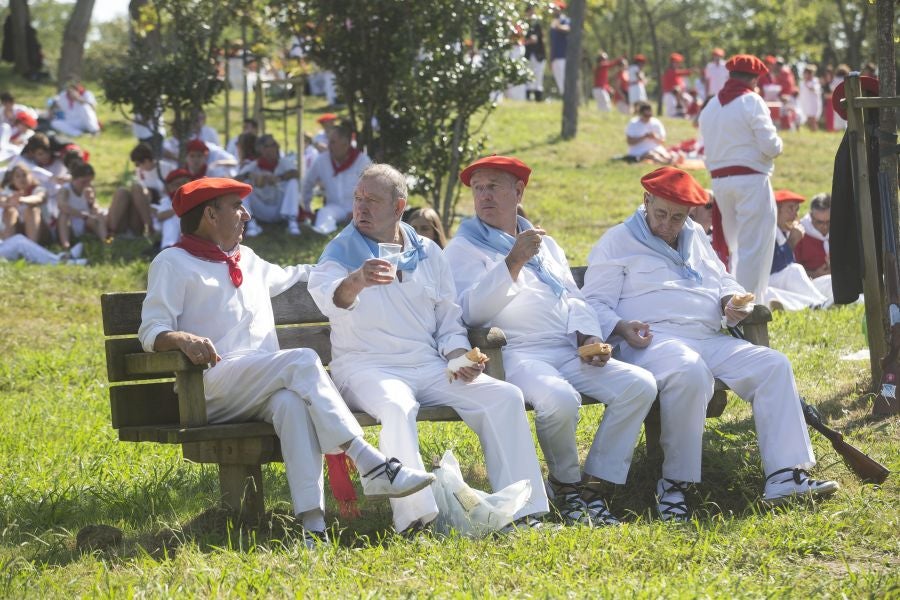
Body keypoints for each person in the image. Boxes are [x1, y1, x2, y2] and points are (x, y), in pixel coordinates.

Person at [138, 177, 435, 547]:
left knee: (292, 404)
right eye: (236, 207)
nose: (246, 214)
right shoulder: (172, 262)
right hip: (209, 388)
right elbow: (151, 329)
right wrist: (181, 339)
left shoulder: (247, 259)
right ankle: (369, 460)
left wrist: (347, 267)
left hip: (264, 385)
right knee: (302, 360)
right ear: (211, 215)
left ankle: (314, 529)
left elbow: (301, 276)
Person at [582, 166, 839, 519]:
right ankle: (674, 485)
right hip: (653, 341)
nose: (668, 224)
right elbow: (593, 302)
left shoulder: (695, 235)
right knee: (690, 371)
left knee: (772, 364)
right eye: (660, 214)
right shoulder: (617, 241)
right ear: (646, 201)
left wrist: (730, 300)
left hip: (707, 336)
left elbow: (722, 280)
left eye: (678, 216)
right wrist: (622, 327)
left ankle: (785, 475)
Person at [308, 164, 550, 534]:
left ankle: (524, 511)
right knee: (397, 405)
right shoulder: (342, 249)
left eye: (371, 200)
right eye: (358, 199)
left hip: (427, 364)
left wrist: (457, 357)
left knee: (503, 396)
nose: (361, 208)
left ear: (399, 205)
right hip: (366, 367)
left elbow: (448, 320)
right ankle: (417, 519)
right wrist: (357, 279)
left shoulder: (428, 252)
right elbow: (328, 297)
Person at [445, 155, 658, 526]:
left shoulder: (545, 243)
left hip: (566, 349)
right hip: (516, 353)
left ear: (518, 191)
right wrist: (511, 262)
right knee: (559, 399)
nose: (484, 196)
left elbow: (573, 297)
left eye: (493, 186)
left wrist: (589, 336)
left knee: (639, 385)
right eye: (477, 189)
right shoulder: (463, 249)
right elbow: (471, 314)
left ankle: (595, 486)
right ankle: (565, 483)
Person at [699, 54, 783, 300]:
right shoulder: (752, 101)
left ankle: (730, 299)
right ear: (755, 78)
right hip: (751, 180)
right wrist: (779, 144)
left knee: (733, 248)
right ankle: (748, 306)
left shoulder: (711, 105)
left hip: (720, 183)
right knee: (753, 248)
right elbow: (770, 146)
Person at [301, 122, 372, 235]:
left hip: (358, 208)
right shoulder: (322, 160)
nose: (329, 146)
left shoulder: (362, 161)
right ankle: (322, 230)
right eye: (329, 142)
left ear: (346, 144)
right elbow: (307, 183)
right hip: (334, 207)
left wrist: (361, 209)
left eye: (333, 142)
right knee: (324, 213)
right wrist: (307, 209)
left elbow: (372, 189)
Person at [764, 190, 828, 310]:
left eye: (797, 209)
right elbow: (773, 267)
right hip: (764, 284)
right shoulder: (764, 230)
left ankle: (819, 304)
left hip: (779, 284)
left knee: (828, 281)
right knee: (794, 270)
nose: (795, 215)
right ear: (775, 209)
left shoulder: (784, 232)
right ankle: (823, 304)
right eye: (790, 209)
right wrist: (792, 242)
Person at [236, 134, 301, 237]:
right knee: (242, 186)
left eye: (275, 145)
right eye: (270, 145)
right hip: (260, 210)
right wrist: (249, 175)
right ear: (261, 149)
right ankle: (252, 224)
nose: (275, 147)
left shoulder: (284, 163)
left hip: (280, 210)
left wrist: (278, 178)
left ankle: (291, 222)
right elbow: (234, 181)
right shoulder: (253, 166)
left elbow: (296, 173)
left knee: (293, 182)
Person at [108, 143, 177, 238]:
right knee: (124, 191)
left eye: (138, 163)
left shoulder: (168, 168)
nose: (137, 167)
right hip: (144, 206)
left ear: (147, 160)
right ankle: (112, 231)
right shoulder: (140, 171)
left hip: (160, 206)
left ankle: (150, 227)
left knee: (136, 188)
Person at [56, 162, 107, 252]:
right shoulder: (66, 190)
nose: (87, 185)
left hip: (86, 223)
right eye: (83, 182)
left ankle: (105, 241)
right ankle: (65, 244)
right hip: (71, 223)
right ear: (74, 179)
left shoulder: (89, 189)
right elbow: (62, 205)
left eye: (89, 181)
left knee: (99, 215)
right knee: (63, 215)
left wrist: (91, 202)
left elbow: (95, 208)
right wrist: (82, 215)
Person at [794, 193, 832, 294]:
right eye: (819, 222)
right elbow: (791, 270)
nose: (824, 227)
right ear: (811, 216)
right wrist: (814, 274)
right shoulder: (799, 233)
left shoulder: (842, 228)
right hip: (809, 283)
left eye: (829, 222)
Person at [0, 163, 46, 242]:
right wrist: (9, 203)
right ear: (12, 180)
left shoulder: (39, 189)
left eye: (24, 175)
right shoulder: (8, 192)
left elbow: (38, 198)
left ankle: (32, 246)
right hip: (19, 229)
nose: (22, 179)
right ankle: (9, 245)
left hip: (42, 231)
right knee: (9, 211)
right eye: (17, 176)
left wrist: (22, 199)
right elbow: (2, 201)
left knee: (32, 209)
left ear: (31, 176)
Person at [522, 5, 546, 102]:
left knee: (538, 76)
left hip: (538, 55)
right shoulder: (524, 25)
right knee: (528, 76)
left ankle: (538, 98)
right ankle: (528, 97)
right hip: (528, 54)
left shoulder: (537, 24)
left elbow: (538, 39)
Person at [661, 53, 693, 118]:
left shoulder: (675, 71)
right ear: (671, 63)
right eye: (675, 62)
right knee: (671, 111)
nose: (677, 64)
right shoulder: (669, 71)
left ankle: (685, 115)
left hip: (678, 94)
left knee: (689, 100)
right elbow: (681, 73)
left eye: (678, 62)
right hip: (669, 94)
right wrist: (691, 71)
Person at [548, 1, 570, 96]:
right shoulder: (553, 22)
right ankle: (564, 96)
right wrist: (551, 58)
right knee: (559, 79)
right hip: (555, 56)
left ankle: (567, 97)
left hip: (563, 56)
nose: (553, 11)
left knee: (564, 79)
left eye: (555, 8)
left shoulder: (565, 20)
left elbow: (568, 29)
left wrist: (557, 26)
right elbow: (552, 42)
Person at [797, 65, 822, 132]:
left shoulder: (815, 81)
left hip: (813, 103)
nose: (806, 75)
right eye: (805, 73)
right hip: (805, 102)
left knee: (813, 119)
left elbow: (814, 89)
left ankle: (815, 131)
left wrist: (807, 84)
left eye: (808, 73)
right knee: (808, 119)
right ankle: (812, 131)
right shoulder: (802, 82)